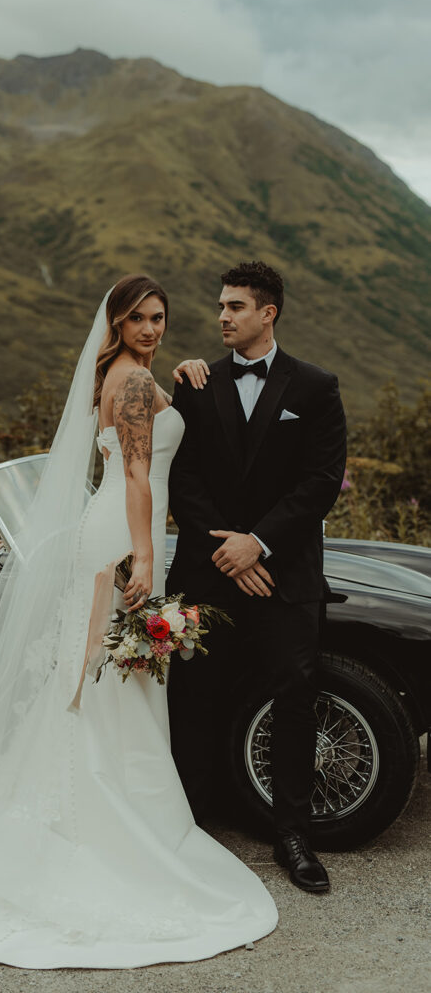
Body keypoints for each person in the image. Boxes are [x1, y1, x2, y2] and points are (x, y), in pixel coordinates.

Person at [0, 275, 277, 968]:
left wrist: (180, 378)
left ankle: (83, 812)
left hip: (112, 528)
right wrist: (143, 558)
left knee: (96, 676)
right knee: (110, 676)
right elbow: (141, 476)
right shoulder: (136, 384)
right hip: (123, 534)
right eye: (138, 318)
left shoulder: (121, 374)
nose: (151, 328)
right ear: (116, 322)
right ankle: (108, 826)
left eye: (159, 317)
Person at [168, 261, 347, 894]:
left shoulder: (317, 387)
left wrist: (260, 544)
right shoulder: (195, 384)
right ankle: (188, 820)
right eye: (220, 305)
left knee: (295, 694)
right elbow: (181, 478)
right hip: (211, 569)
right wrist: (228, 550)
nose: (222, 316)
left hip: (284, 572)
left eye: (236, 306)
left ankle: (293, 833)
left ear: (267, 313)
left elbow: (321, 480)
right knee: (194, 693)